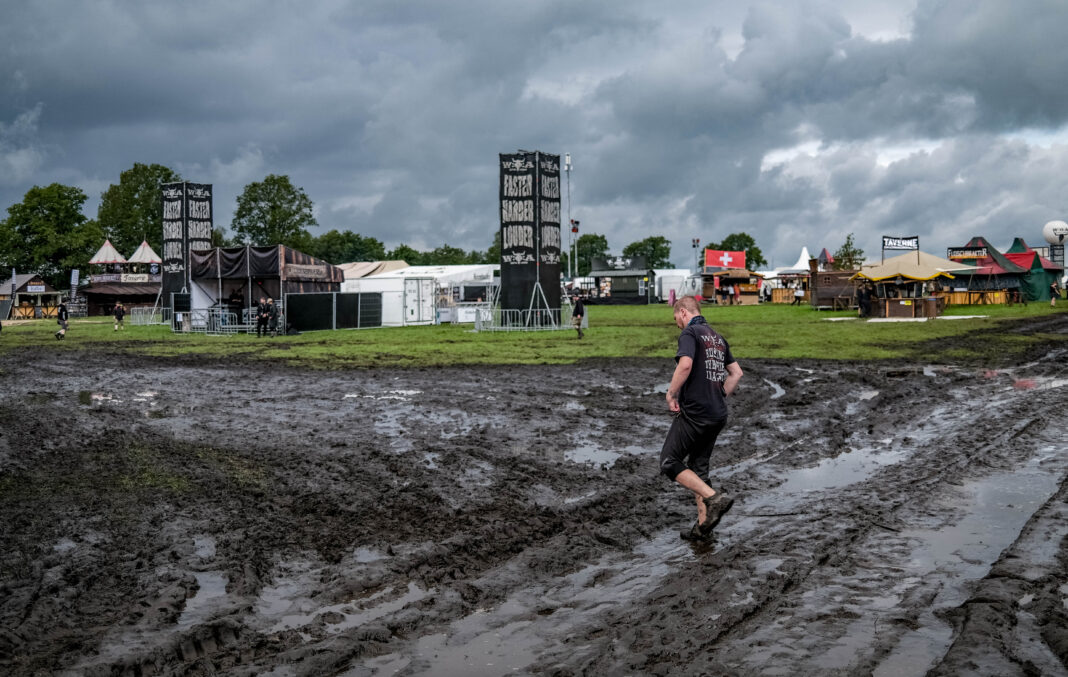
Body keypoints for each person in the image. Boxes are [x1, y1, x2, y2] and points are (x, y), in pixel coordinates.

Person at [661, 295, 743, 542]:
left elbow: (685, 366)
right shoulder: (717, 337)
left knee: (669, 461)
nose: (677, 323)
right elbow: (736, 373)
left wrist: (671, 393)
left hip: (696, 413)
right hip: (717, 414)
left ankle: (715, 498)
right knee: (698, 468)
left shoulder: (691, 333)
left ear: (684, 312)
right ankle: (703, 529)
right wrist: (718, 396)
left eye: (676, 318)